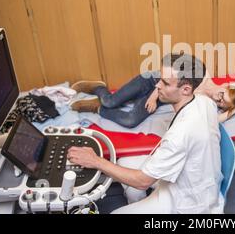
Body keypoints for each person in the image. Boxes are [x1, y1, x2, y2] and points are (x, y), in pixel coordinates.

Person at [67, 53, 225, 213]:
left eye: (165, 83)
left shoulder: (179, 135)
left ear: (186, 89)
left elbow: (142, 181)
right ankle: (141, 205)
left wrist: (96, 161)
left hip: (187, 202)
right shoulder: (205, 102)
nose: (157, 86)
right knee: (124, 162)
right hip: (197, 179)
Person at [70, 72, 235, 125]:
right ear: (228, 86)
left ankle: (97, 108)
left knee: (131, 119)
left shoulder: (206, 103)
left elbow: (214, 120)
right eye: (222, 94)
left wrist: (234, 109)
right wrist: (153, 95)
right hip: (152, 82)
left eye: (221, 103)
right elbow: (167, 77)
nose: (217, 98)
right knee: (110, 100)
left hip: (163, 95)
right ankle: (98, 88)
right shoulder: (202, 74)